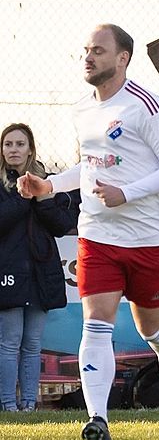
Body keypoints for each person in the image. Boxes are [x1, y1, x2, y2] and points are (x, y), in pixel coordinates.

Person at [18, 24, 159, 440]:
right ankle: (98, 418)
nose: (88, 57)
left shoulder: (145, 105)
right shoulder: (82, 109)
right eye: (85, 50)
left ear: (122, 58)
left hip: (148, 238)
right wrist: (50, 185)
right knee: (95, 324)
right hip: (97, 235)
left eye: (98, 50)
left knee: (151, 329)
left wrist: (125, 193)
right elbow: (91, 167)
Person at [0, 123, 79, 412]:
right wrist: (24, 198)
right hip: (8, 273)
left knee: (33, 343)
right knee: (9, 343)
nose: (14, 150)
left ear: (30, 149)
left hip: (41, 273)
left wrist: (43, 198)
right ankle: (8, 404)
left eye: (20, 144)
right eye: (8, 144)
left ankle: (29, 404)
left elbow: (62, 225)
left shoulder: (48, 183)